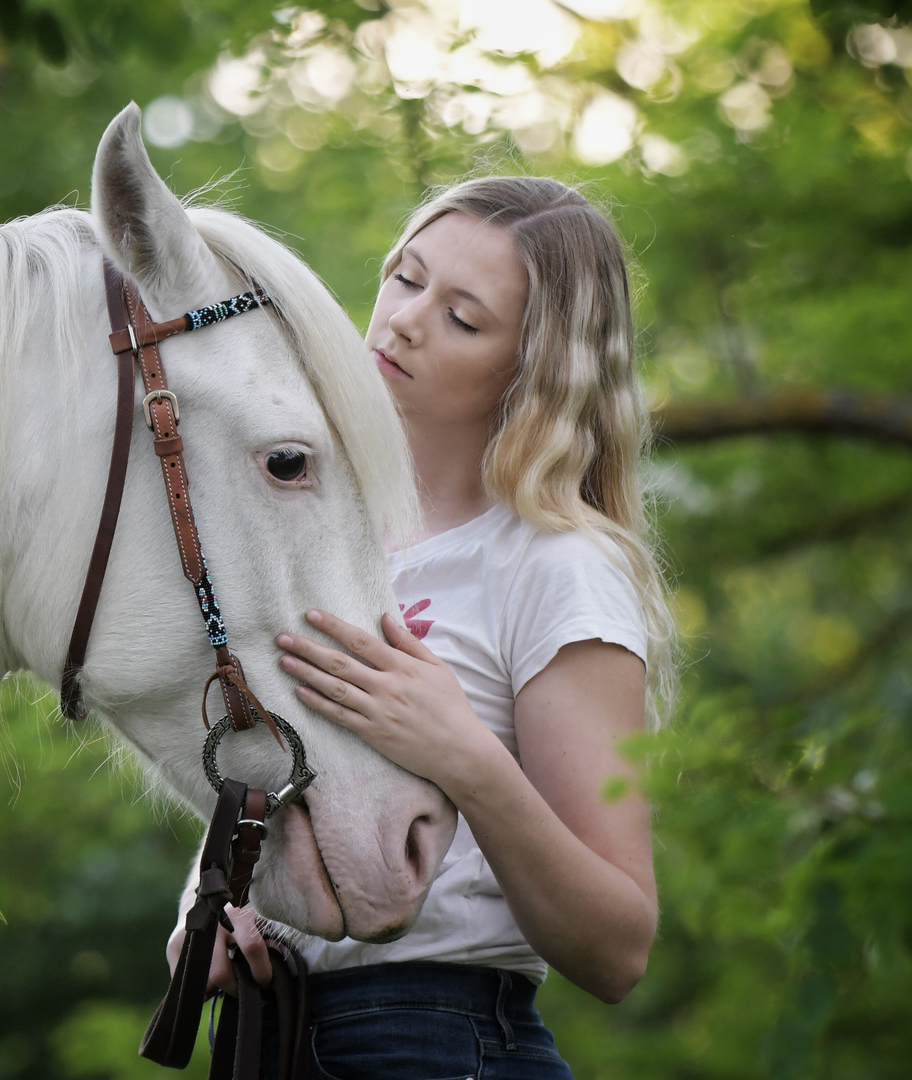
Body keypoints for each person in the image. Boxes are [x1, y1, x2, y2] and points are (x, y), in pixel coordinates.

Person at [167, 176, 676, 1079]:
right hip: (272, 1041)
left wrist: (466, 758)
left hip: (439, 1043)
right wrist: (212, 909)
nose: (402, 321)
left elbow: (617, 948)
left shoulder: (556, 567)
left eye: (463, 319)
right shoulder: (310, 524)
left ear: (534, 368)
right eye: (406, 278)